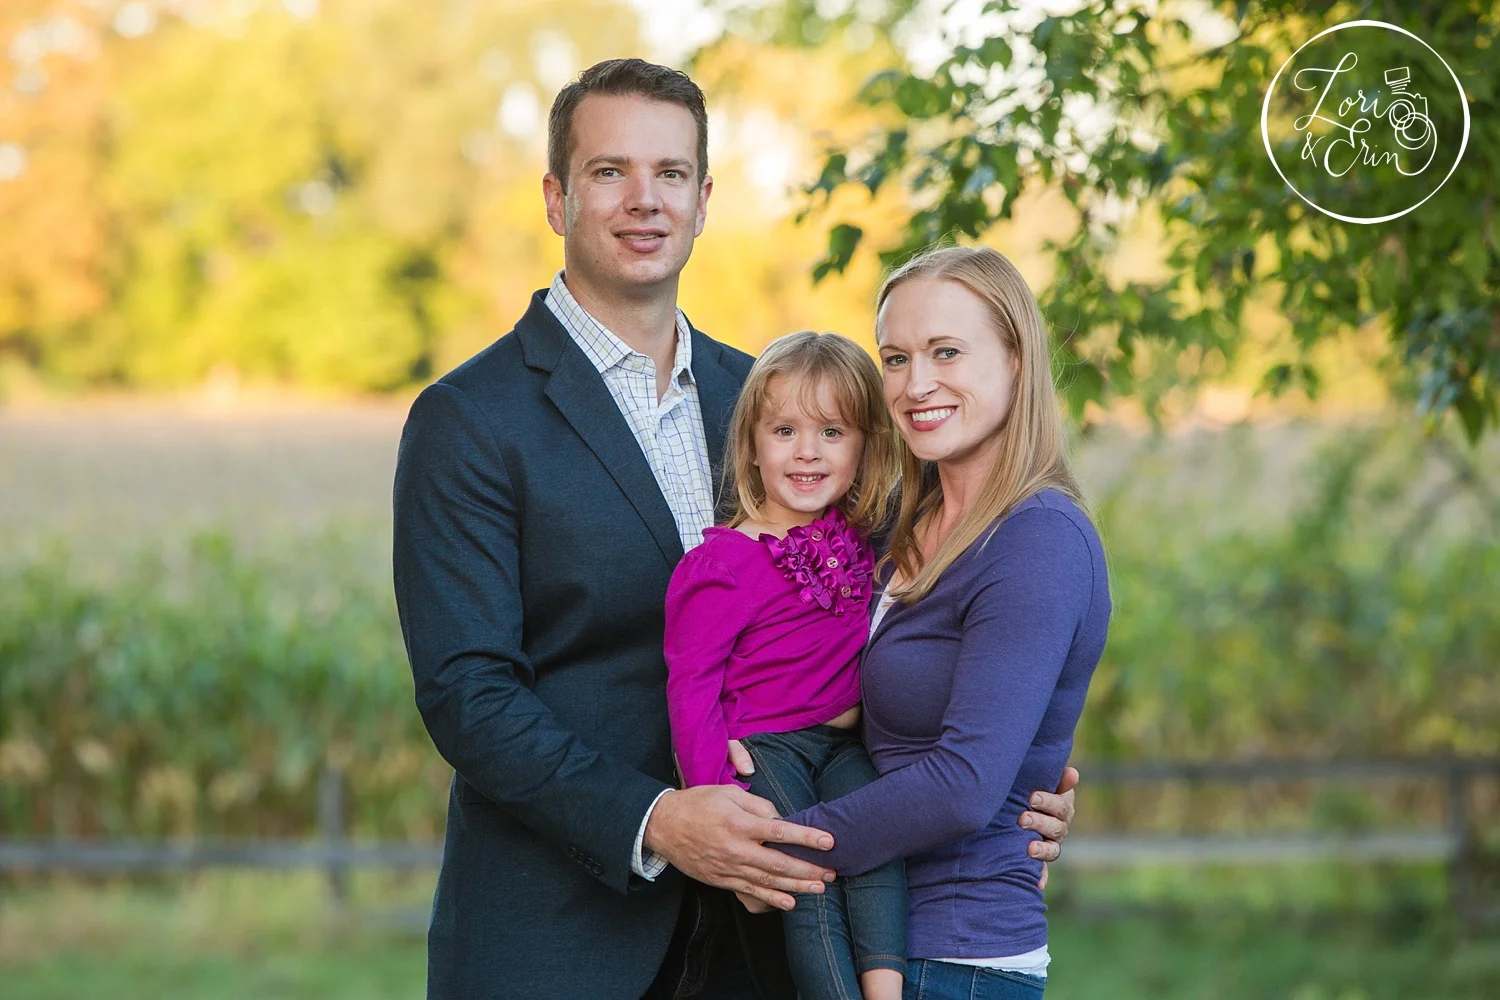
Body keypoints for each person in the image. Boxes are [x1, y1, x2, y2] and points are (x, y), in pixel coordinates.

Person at [391, 58, 1077, 1000]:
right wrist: (657, 819)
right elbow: (467, 694)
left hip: (765, 943)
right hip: (560, 937)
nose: (645, 201)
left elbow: (884, 611)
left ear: (704, 199)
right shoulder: (470, 418)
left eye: (671, 174)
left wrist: (1007, 785)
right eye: (608, 172)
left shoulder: (767, 401)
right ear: (556, 198)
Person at [770, 246, 1111, 999]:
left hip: (951, 957)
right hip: (860, 937)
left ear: (1018, 359)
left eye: (946, 352)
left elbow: (963, 785)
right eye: (895, 358)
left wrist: (770, 845)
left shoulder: (1039, 538)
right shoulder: (892, 527)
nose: (916, 383)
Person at [665, 331, 908, 1000]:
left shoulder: (861, 540)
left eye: (832, 432)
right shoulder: (722, 564)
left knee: (881, 840)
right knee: (808, 875)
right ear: (751, 445)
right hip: (770, 748)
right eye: (785, 430)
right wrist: (722, 804)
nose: (807, 450)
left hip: (843, 744)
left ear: (864, 449)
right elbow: (691, 690)